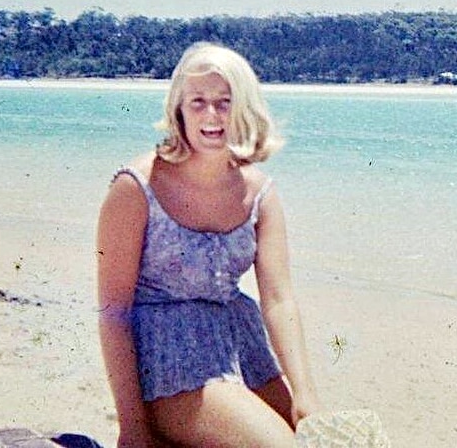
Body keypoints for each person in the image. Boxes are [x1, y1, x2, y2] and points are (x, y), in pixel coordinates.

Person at [97, 42, 321, 447]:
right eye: (198, 101)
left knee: (320, 440)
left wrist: (306, 394)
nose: (212, 115)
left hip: (242, 348)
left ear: (245, 107)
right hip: (169, 366)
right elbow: (114, 312)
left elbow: (279, 299)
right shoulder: (135, 187)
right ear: (178, 108)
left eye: (224, 101)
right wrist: (131, 426)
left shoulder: (260, 192)